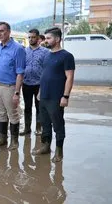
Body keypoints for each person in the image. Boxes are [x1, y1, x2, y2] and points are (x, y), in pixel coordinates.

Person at [32, 27, 75, 163]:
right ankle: (45, 146)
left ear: (57, 39)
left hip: (56, 97)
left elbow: (70, 77)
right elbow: (44, 75)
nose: (46, 40)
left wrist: (65, 96)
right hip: (44, 96)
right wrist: (39, 91)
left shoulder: (67, 56)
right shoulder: (47, 55)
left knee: (58, 124)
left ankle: (59, 151)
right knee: (44, 123)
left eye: (49, 38)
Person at [0, 21, 26, 150]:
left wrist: (17, 93)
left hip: (9, 87)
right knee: (0, 113)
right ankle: (2, 138)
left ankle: (14, 141)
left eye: (2, 31)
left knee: (13, 114)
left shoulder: (18, 49)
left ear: (9, 32)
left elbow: (20, 73)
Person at [19, 29, 50, 136]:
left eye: (33, 37)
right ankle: (27, 128)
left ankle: (38, 128)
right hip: (26, 83)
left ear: (38, 38)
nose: (31, 39)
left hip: (39, 84)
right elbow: (20, 67)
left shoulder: (45, 52)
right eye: (29, 37)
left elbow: (47, 69)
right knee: (27, 107)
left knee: (39, 107)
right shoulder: (24, 51)